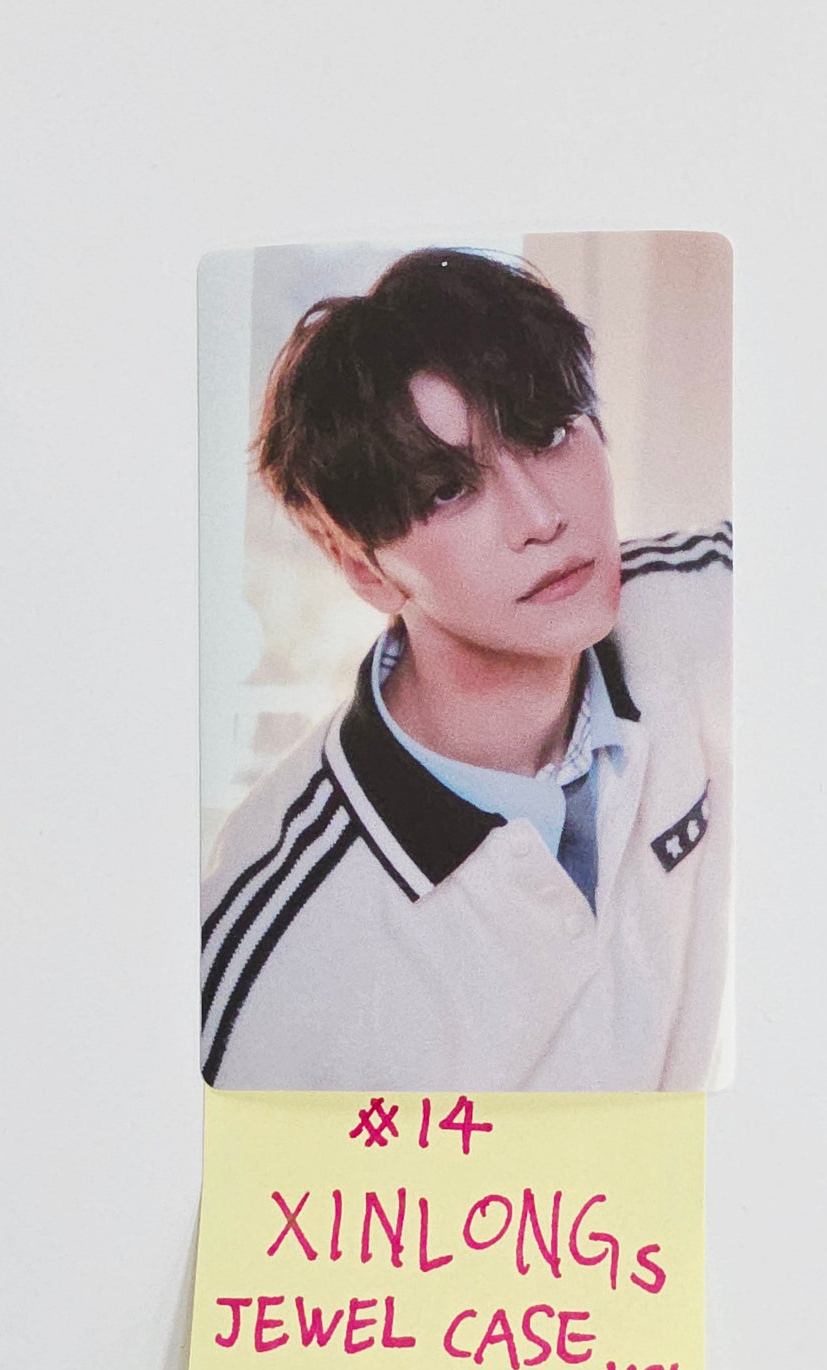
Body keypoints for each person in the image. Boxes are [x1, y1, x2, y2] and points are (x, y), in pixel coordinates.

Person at [201, 247, 731, 1092]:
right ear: (365, 569)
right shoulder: (279, 954)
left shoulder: (702, 602)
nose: (541, 517)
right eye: (448, 490)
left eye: (547, 434)